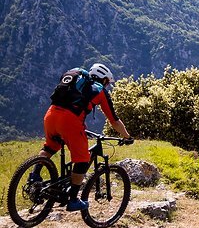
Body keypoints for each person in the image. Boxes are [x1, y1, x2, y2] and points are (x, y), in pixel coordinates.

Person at [35, 62, 132, 212]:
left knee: (50, 146)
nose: (106, 86)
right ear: (104, 80)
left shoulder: (75, 78)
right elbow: (114, 120)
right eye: (107, 82)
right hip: (69, 121)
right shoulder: (99, 91)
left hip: (50, 115)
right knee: (82, 159)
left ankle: (34, 175)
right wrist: (127, 136)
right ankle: (73, 200)